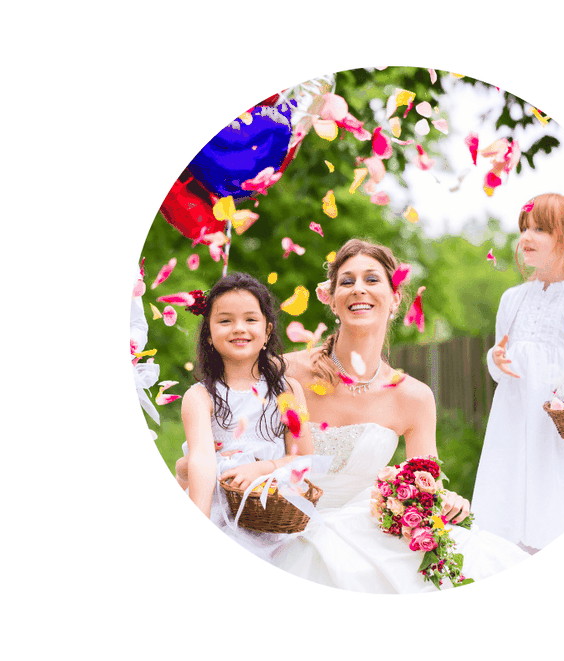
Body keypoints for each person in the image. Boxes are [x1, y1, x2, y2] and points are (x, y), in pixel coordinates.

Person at [260, 238, 527, 592]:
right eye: (347, 281)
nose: (359, 290)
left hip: (367, 532)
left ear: (396, 298)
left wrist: (445, 499)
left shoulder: (414, 397)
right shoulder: (285, 371)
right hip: (283, 528)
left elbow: (425, 483)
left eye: (372, 280)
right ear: (332, 299)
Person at [471, 193, 564, 554]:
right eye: (524, 228)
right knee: (507, 502)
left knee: (557, 505)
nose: (527, 237)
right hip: (513, 423)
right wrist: (494, 358)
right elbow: (501, 363)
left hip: (555, 429)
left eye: (540, 230)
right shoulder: (512, 298)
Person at [179, 272, 313, 555]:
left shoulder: (289, 390)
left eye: (251, 319)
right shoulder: (200, 397)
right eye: (225, 320)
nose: (239, 328)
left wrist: (261, 468)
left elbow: (304, 457)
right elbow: (202, 459)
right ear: (209, 335)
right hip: (219, 513)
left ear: (267, 332)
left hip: (274, 516)